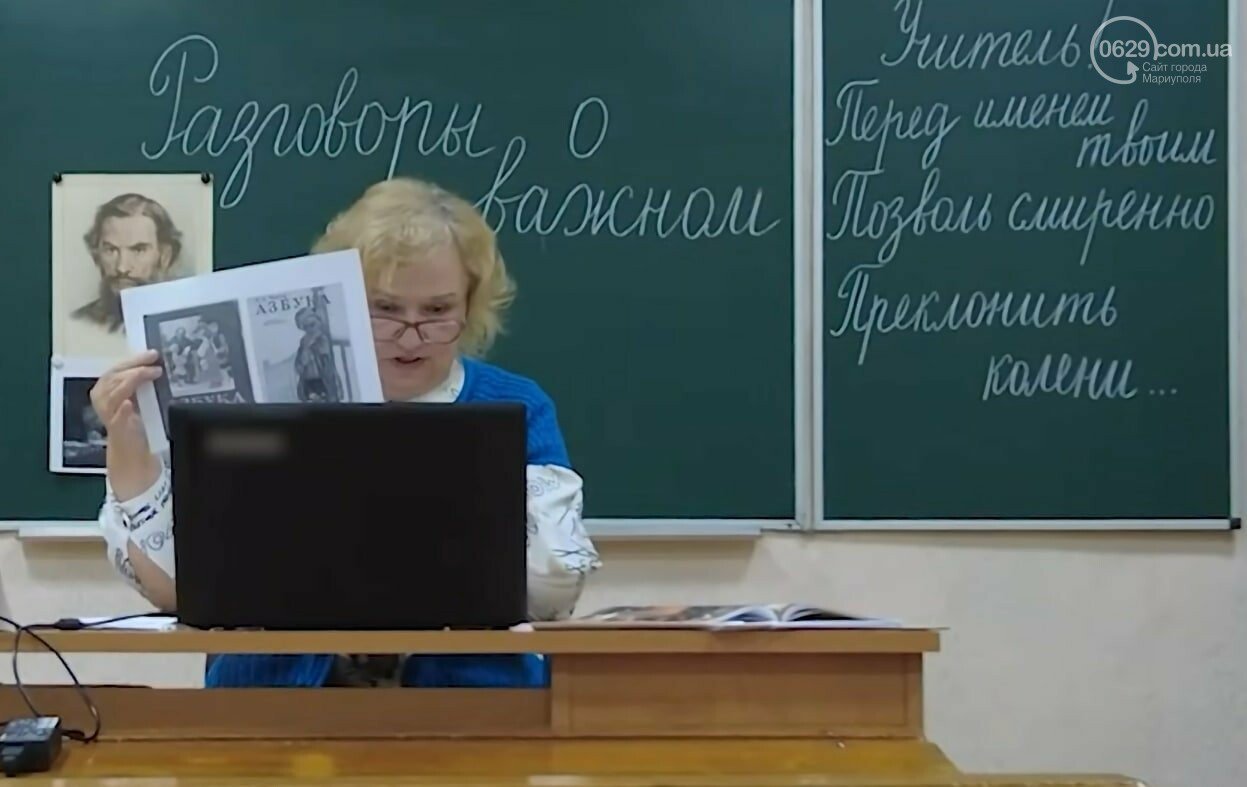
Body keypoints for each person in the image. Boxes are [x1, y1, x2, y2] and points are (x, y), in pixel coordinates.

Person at [91, 177, 602, 688]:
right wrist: (128, 448)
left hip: (469, 707)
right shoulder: (263, 404)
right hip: (270, 708)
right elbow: (178, 591)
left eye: (438, 311)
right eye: (386, 308)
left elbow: (553, 594)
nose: (410, 335)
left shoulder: (516, 404)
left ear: (472, 305)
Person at [75, 193, 183, 333]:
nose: (122, 267)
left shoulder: (185, 321)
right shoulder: (80, 323)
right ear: (96, 255)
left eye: (138, 250)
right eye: (111, 250)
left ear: (165, 256)